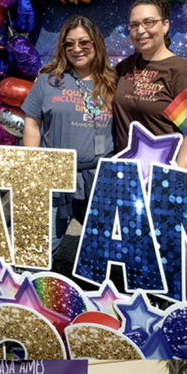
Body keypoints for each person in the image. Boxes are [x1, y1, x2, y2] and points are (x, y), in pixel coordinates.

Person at [22, 17, 116, 254]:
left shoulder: (114, 82)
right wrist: (32, 167)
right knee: (40, 249)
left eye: (84, 42)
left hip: (99, 178)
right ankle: (28, 287)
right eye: (69, 44)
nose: (76, 49)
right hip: (55, 176)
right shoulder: (48, 80)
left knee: (106, 249)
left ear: (96, 44)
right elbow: (32, 123)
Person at [112, 0, 187, 169]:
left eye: (148, 22)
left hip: (164, 179)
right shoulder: (127, 65)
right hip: (126, 175)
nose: (140, 30)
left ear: (166, 25)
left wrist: (174, 178)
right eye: (134, 25)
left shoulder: (180, 71)